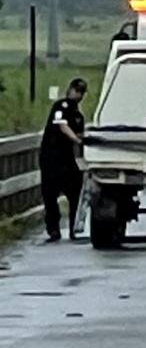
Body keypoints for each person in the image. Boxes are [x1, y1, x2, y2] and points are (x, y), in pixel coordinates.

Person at [39, 78, 88, 242]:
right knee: (50, 194)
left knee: (75, 192)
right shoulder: (61, 106)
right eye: (77, 90)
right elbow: (62, 126)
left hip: (67, 159)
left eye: (82, 92)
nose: (78, 94)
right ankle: (53, 229)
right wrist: (77, 139)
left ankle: (74, 228)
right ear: (71, 90)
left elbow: (80, 134)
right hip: (51, 156)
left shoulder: (79, 116)